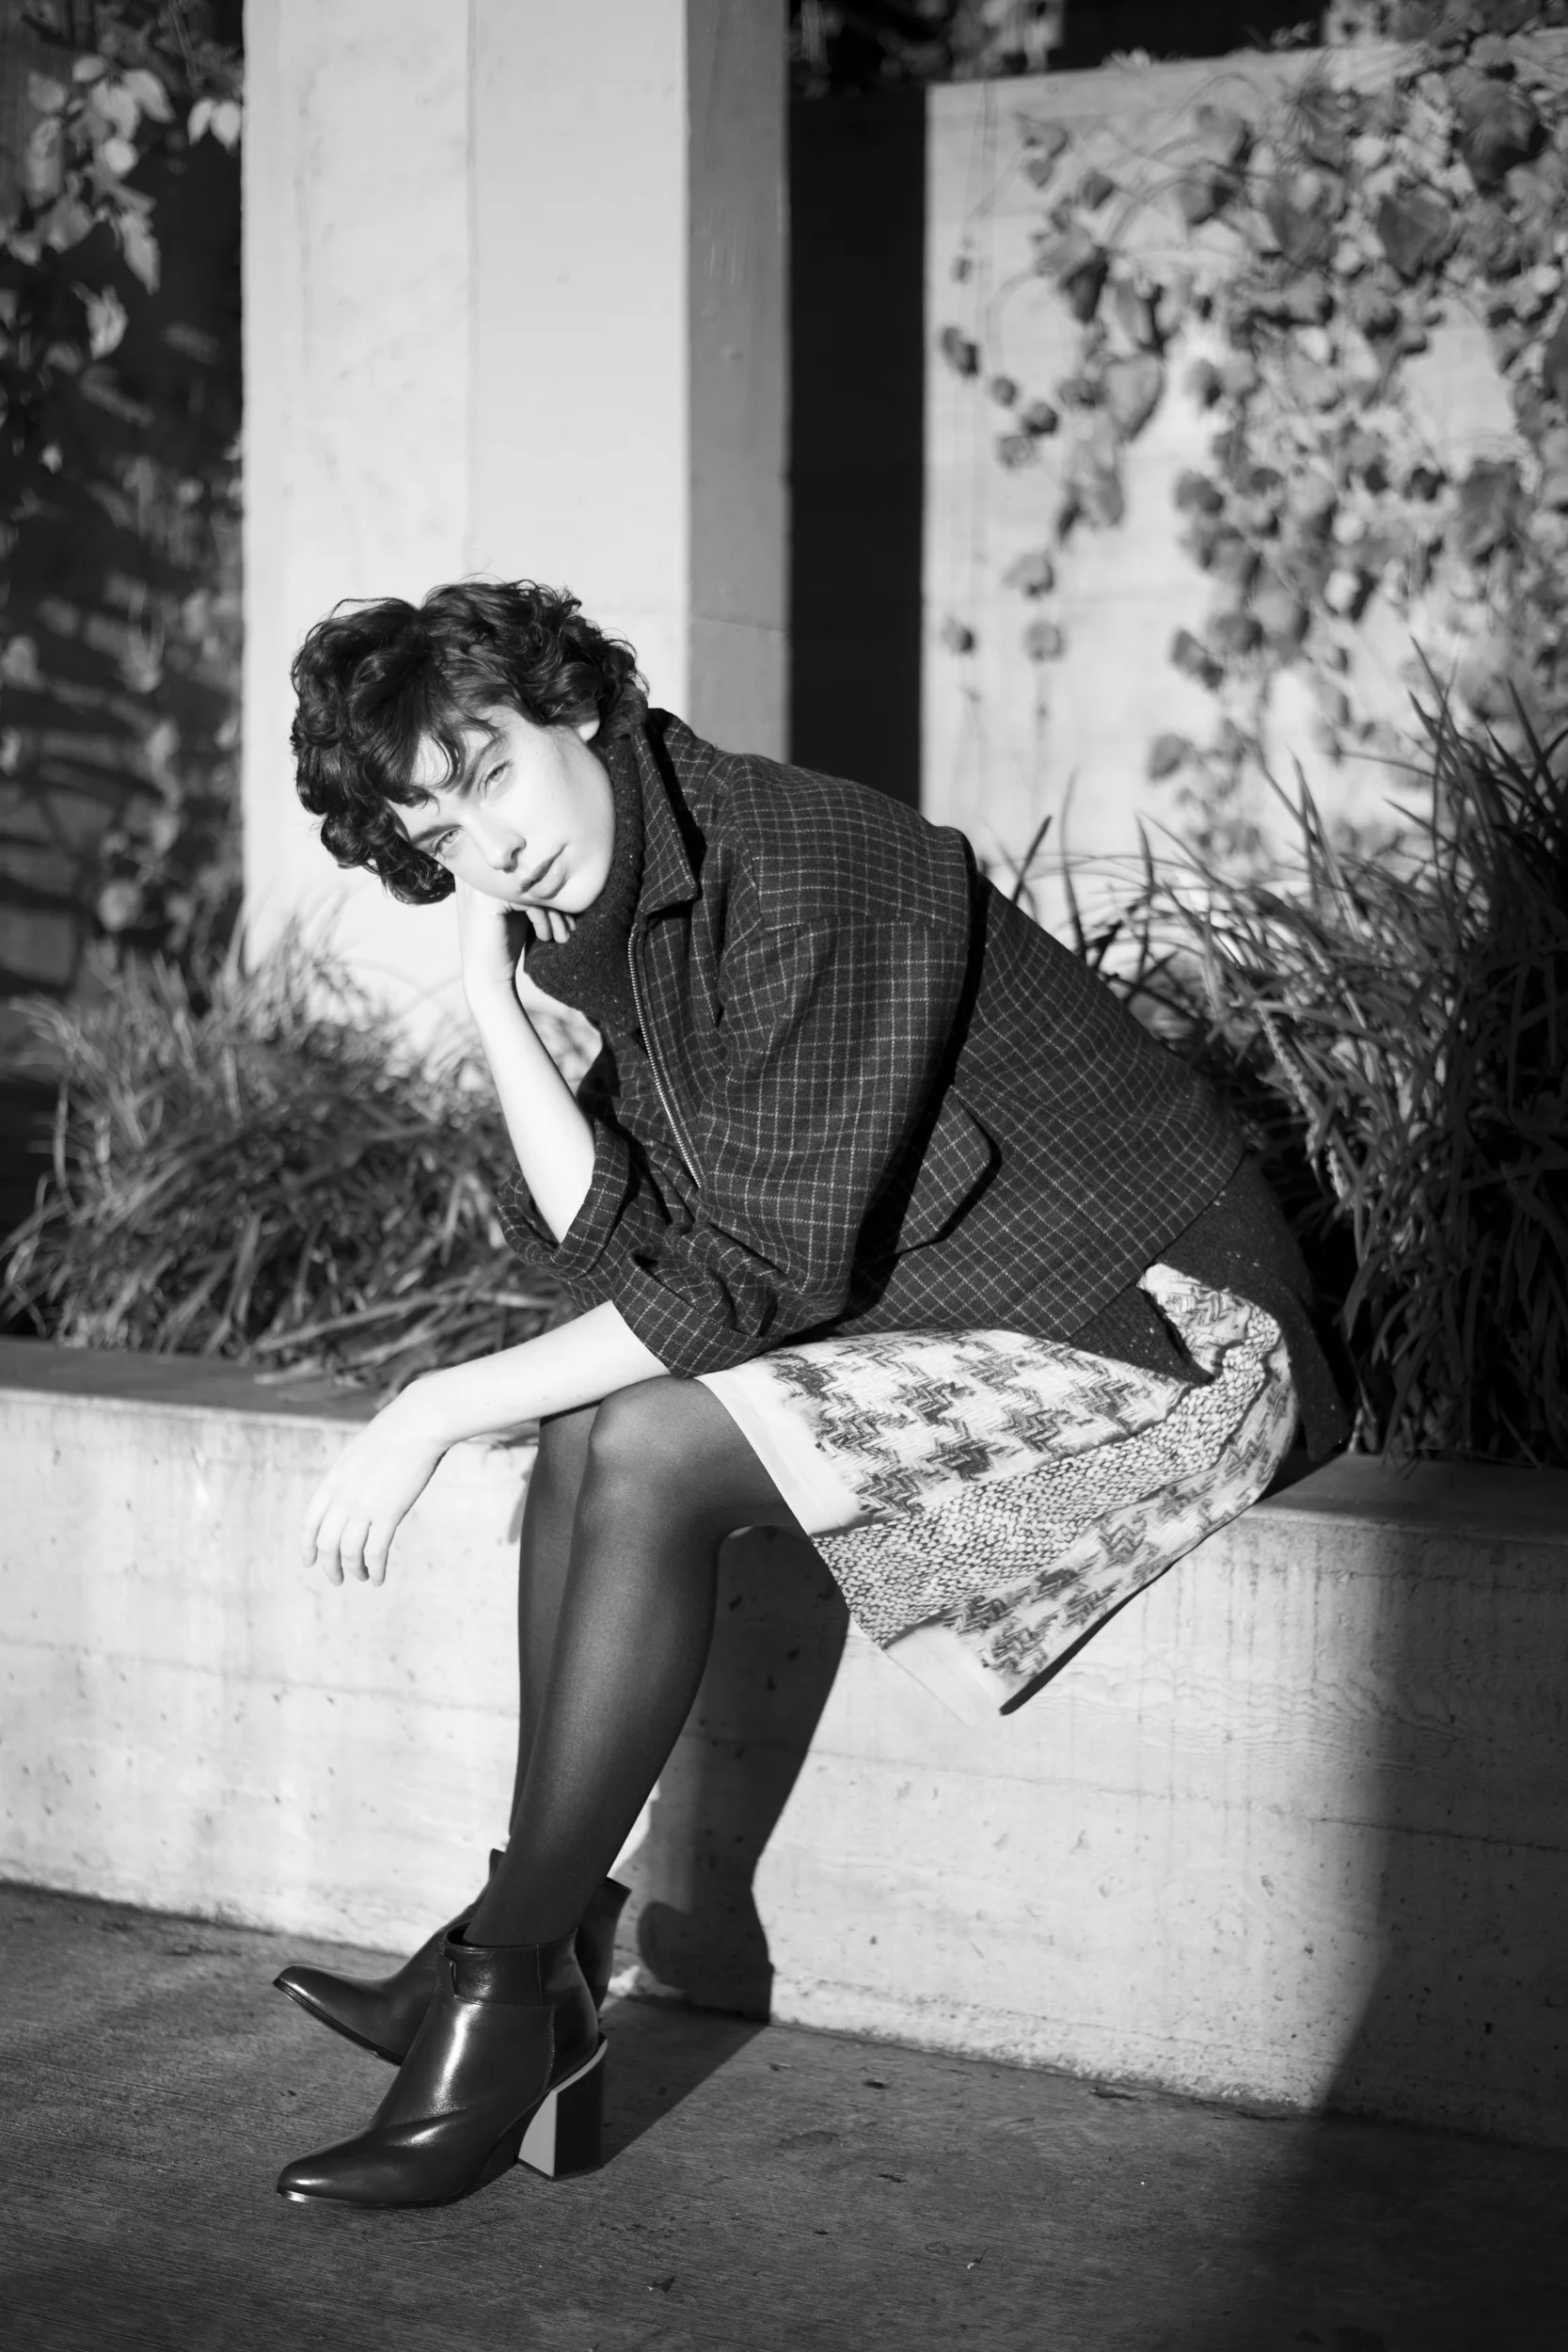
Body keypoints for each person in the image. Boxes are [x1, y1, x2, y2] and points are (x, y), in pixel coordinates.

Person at [271, 579, 1346, 2211]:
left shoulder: (801, 864)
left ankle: (498, 1987)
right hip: (981, 1310)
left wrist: (433, 1405)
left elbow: (747, 1286)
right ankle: (518, 1966)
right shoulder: (628, 917)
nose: (493, 851)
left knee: (642, 1441)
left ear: (574, 706)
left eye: (488, 777)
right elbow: (623, 1252)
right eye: (443, 837)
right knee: (588, 1417)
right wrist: (493, 1001)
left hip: (1159, 1336)